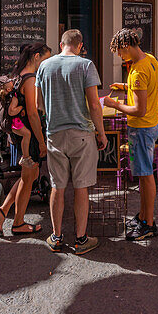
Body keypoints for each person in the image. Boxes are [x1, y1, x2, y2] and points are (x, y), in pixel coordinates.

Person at [35, 29, 107, 254]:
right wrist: (101, 133)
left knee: (57, 186)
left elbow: (39, 103)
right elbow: (94, 105)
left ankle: (56, 237)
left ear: (60, 44)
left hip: (54, 133)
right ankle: (81, 239)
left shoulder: (44, 66)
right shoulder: (85, 65)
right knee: (81, 187)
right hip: (82, 133)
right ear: (80, 45)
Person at [104, 27, 158, 241]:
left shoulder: (137, 71)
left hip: (141, 127)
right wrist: (126, 86)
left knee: (145, 176)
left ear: (126, 46)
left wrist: (113, 104)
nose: (119, 56)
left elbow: (138, 109)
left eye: (119, 51)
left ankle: (148, 223)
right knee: (145, 175)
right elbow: (147, 86)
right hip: (152, 125)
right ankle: (144, 216)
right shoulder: (151, 60)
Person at [0, 42, 48, 239]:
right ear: (37, 57)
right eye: (46, 59)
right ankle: (18, 223)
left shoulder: (16, 74)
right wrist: (41, 141)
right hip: (29, 134)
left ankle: (3, 211)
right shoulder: (30, 79)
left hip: (17, 132)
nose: (46, 64)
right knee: (28, 177)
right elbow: (32, 113)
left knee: (30, 176)